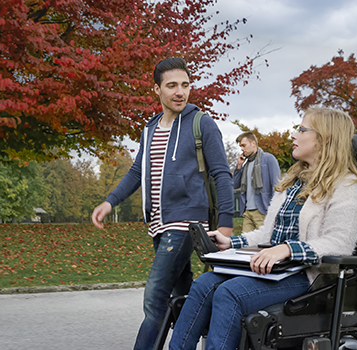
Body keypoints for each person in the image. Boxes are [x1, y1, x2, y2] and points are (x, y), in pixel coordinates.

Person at [168, 107, 357, 350]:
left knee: (229, 293)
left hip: (311, 277)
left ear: (325, 138)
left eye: (302, 129)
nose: (293, 135)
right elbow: (267, 234)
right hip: (277, 270)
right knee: (203, 283)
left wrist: (287, 249)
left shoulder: (347, 186)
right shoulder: (294, 183)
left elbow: (339, 243)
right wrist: (232, 242)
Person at [91, 57, 235, 350]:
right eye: (172, 86)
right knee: (181, 298)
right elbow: (136, 172)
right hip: (158, 223)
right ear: (157, 90)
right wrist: (110, 202)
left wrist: (226, 225)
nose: (180, 92)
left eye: (185, 85)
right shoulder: (150, 128)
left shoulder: (202, 124)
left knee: (155, 298)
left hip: (185, 223)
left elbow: (222, 174)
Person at [233, 132, 280, 232]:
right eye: (241, 146)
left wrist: (273, 211)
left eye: (243, 145)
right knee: (245, 244)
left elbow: (276, 186)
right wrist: (239, 166)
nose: (242, 149)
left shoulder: (268, 159)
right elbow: (235, 184)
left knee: (263, 244)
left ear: (253, 143)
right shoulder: (246, 165)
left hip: (263, 211)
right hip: (247, 212)